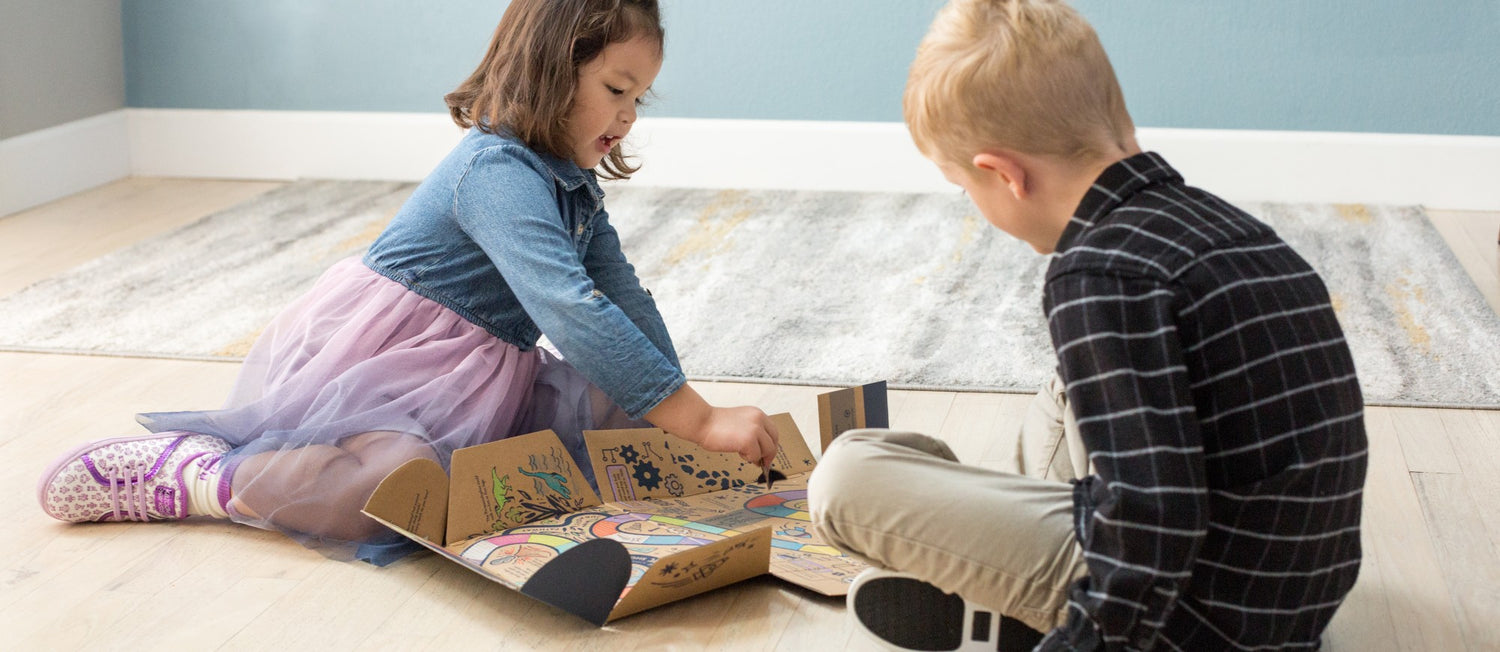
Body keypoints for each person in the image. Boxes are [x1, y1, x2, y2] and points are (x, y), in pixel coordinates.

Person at [37, 0, 779, 566]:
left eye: (639, 98)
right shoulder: (494, 171)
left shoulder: (572, 184)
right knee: (394, 478)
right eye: (617, 88)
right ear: (554, 68)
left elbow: (623, 297)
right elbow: (569, 307)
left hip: (482, 374)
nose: (626, 114)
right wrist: (702, 423)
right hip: (390, 364)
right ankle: (207, 477)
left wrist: (688, 412)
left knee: (630, 403)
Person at [807, 0, 1368, 649]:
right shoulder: (1237, 230)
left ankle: (1016, 601)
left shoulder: (1100, 276)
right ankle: (993, 562)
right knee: (1072, 382)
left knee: (846, 475)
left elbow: (1156, 520)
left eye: (967, 190)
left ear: (1003, 175)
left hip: (1192, 621)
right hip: (1288, 597)